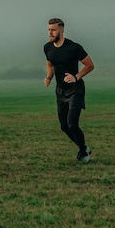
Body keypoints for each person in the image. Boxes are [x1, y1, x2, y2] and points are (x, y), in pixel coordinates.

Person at [43, 18, 95, 162]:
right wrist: (49, 77)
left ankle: (83, 153)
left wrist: (76, 77)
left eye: (53, 30)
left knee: (72, 124)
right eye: (48, 30)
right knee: (64, 127)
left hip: (75, 90)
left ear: (61, 30)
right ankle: (84, 148)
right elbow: (50, 64)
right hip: (60, 92)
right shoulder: (47, 47)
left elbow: (90, 65)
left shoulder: (73, 47)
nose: (50, 32)